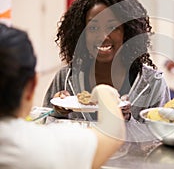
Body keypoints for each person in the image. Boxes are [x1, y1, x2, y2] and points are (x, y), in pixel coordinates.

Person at [0, 24, 125, 168]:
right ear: (32, 85)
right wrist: (104, 92)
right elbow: (112, 134)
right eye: (93, 28)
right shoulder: (43, 147)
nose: (104, 37)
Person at [43, 0, 170, 122]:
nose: (103, 36)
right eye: (93, 28)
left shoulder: (152, 83)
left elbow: (159, 138)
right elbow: (42, 127)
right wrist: (57, 113)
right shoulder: (65, 78)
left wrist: (128, 121)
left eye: (112, 27)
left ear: (127, 32)